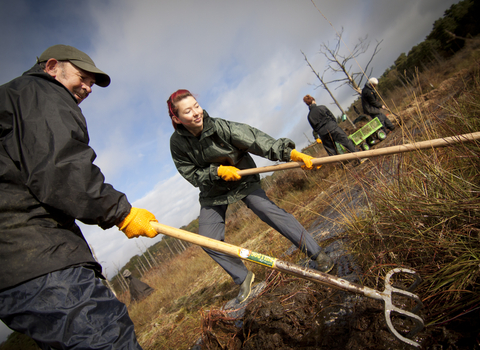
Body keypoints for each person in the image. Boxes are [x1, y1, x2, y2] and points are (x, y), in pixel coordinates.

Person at [0, 45, 159, 350]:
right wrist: (120, 212)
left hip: (16, 269)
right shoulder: (38, 92)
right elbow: (60, 167)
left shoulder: (12, 100)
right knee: (106, 339)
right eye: (82, 77)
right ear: (52, 67)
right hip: (38, 257)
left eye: (91, 84)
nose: (87, 88)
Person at [167, 89, 334, 305]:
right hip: (213, 190)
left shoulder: (220, 127)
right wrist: (215, 172)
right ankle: (243, 277)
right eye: (188, 111)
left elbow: (256, 140)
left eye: (196, 106)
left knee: (267, 210)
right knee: (206, 240)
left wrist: (290, 153)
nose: (196, 113)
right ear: (176, 118)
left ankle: (317, 253)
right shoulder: (177, 144)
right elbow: (189, 173)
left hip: (243, 179)